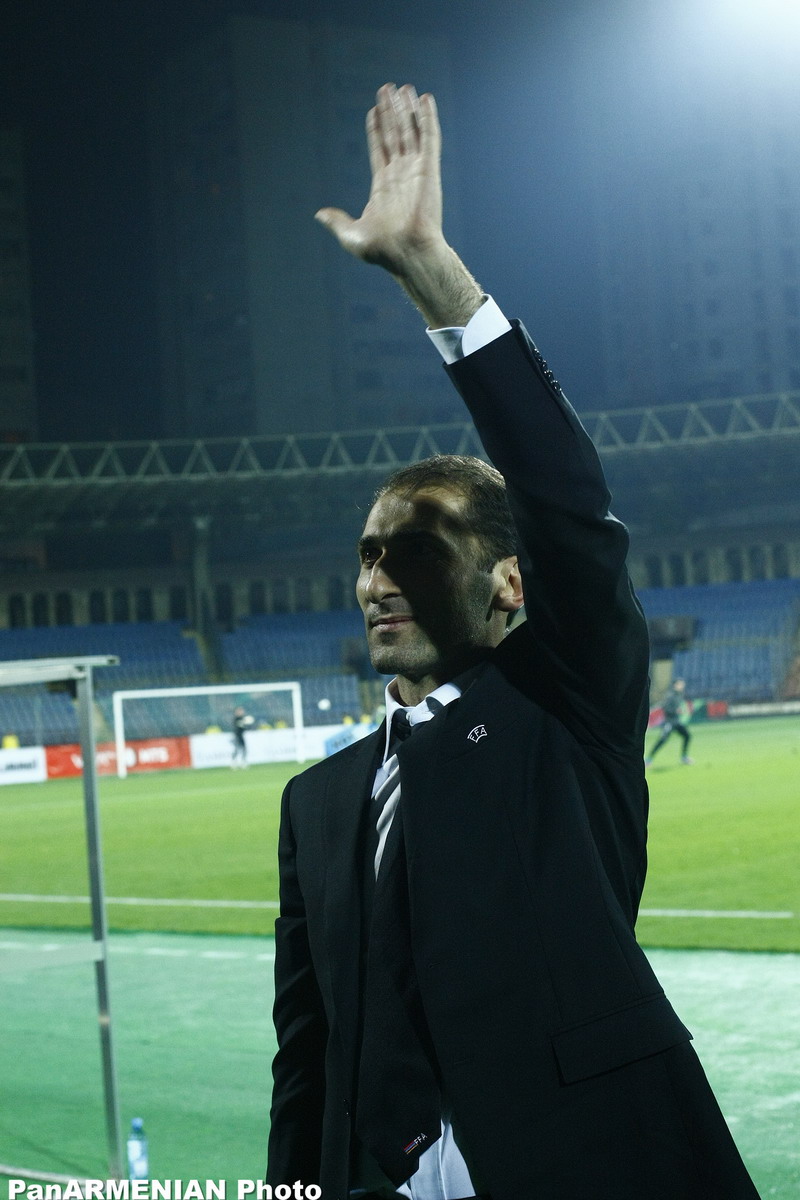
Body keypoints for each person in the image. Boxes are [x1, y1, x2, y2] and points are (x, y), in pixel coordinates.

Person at [266, 84, 760, 1200]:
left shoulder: (564, 709)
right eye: (367, 555)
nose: (375, 580)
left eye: (416, 551)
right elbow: (307, 1063)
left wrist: (429, 271)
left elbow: (566, 502)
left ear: (509, 581)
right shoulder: (317, 803)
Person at [646, 678, 694, 765]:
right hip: (669, 722)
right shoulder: (670, 696)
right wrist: (676, 711)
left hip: (676, 721)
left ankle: (684, 757)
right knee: (662, 739)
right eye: (680, 684)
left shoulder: (679, 694)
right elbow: (666, 709)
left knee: (687, 736)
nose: (682, 686)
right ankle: (649, 759)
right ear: (675, 685)